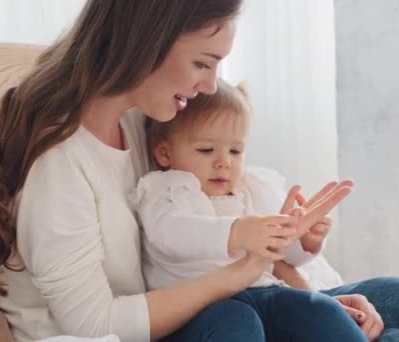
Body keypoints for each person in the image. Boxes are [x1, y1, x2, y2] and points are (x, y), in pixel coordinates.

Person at [0, 0, 399, 341]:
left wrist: (300, 279)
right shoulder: (58, 165)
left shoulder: (146, 132)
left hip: (222, 307)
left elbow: (194, 241)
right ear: (145, 42)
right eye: (202, 63)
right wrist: (242, 273)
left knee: (391, 294)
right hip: (191, 326)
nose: (210, 85)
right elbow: (94, 325)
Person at [134, 79, 367, 341]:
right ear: (164, 153)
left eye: (236, 151)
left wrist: (304, 241)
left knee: (321, 310)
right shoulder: (166, 189)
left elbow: (279, 256)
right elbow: (170, 234)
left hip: (263, 293)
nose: (224, 162)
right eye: (206, 150)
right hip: (199, 310)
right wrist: (237, 232)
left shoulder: (252, 188)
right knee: (237, 323)